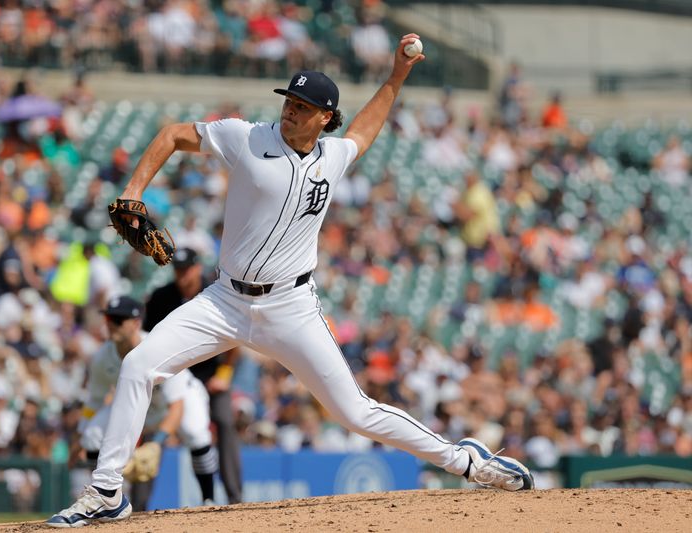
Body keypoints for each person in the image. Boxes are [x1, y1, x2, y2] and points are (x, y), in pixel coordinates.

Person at [47, 34, 533, 528]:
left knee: (355, 413)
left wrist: (396, 77)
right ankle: (107, 490)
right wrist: (133, 191)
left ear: (325, 117)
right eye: (289, 101)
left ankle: (467, 461)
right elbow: (173, 134)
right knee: (138, 365)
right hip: (223, 301)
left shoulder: (332, 157)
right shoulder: (247, 137)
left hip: (290, 308)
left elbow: (364, 131)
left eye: (304, 106)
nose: (291, 111)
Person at [72, 296, 219, 515]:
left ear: (136, 323)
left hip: (182, 398)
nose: (111, 324)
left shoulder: (157, 346)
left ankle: (209, 499)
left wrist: (156, 444)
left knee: (196, 434)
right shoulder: (103, 357)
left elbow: (177, 407)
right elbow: (94, 401)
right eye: (108, 318)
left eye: (118, 319)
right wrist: (80, 435)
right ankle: (105, 497)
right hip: (142, 404)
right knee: (92, 435)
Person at [143, 247, 243, 504]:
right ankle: (139, 504)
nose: (181, 275)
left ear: (197, 268)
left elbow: (237, 336)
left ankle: (234, 497)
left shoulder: (214, 292)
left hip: (210, 374)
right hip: (172, 375)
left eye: (186, 269)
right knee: (155, 430)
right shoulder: (161, 297)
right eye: (177, 270)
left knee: (224, 421)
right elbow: (145, 339)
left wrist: (225, 373)